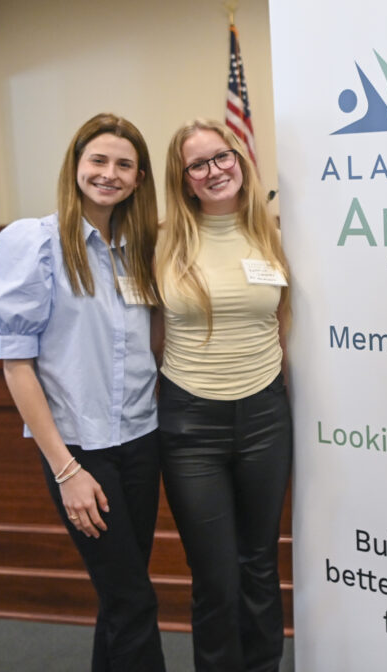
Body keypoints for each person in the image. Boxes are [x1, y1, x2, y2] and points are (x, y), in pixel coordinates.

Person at [0, 113, 165, 671]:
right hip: (79, 449)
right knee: (135, 601)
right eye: (99, 161)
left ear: (138, 178)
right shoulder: (33, 242)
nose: (109, 174)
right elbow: (17, 369)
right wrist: (65, 470)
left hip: (141, 439)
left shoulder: (139, 246)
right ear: (77, 166)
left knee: (120, 598)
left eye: (123, 165)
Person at [156, 118, 292, 672]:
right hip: (191, 425)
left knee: (260, 564)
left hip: (264, 415)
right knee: (215, 576)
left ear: (240, 160)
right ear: (184, 179)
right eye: (198, 164)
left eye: (223, 157)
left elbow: (284, 322)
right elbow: (147, 335)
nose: (215, 171)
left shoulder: (272, 232)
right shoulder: (161, 241)